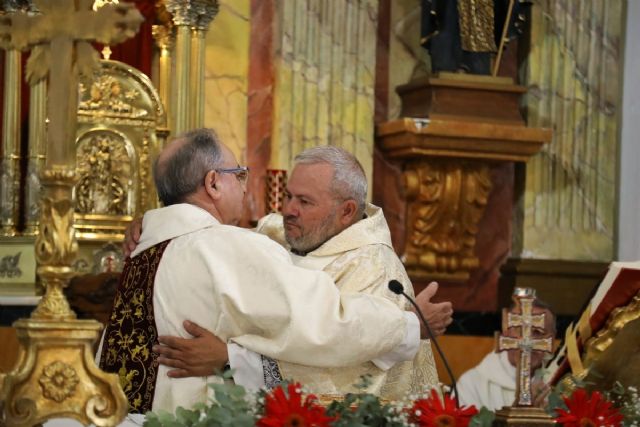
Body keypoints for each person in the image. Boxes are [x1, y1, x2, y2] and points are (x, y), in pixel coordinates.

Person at [99, 128, 435, 416]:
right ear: (213, 183)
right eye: (239, 175)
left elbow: (350, 375)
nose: (286, 210)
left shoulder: (147, 247)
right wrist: (408, 326)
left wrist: (231, 359)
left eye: (304, 201)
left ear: (347, 211)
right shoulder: (234, 247)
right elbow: (329, 323)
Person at [456, 300, 556, 410]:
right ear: (506, 333)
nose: (528, 342)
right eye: (520, 330)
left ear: (551, 339)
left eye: (537, 332)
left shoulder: (561, 383)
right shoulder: (472, 384)